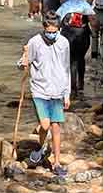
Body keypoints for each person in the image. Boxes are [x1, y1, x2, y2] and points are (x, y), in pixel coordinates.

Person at [21, 11, 71, 180]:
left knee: (55, 127)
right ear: (44, 28)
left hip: (57, 90)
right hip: (40, 90)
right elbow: (23, 64)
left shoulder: (63, 42)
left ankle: (56, 162)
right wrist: (24, 59)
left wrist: (67, 94)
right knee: (44, 125)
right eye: (49, 30)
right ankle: (42, 148)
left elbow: (66, 69)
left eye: (55, 30)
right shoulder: (34, 42)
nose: (52, 33)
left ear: (59, 28)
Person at [57, 0, 93, 96]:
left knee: (72, 61)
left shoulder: (66, 5)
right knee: (80, 59)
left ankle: (73, 88)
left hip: (68, 35)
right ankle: (80, 83)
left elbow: (58, 19)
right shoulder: (86, 5)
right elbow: (93, 21)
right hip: (83, 35)